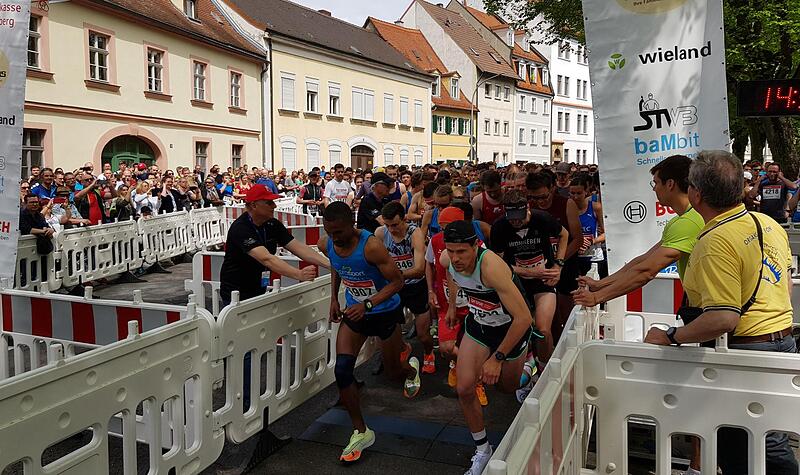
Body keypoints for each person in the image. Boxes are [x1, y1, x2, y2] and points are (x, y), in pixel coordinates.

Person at [644, 150, 798, 475]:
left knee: (746, 448)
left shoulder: (714, 241)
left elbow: (724, 317)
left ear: (697, 194)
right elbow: (785, 287)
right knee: (769, 438)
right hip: (781, 342)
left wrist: (671, 335)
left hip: (745, 350)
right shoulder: (769, 225)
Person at [319, 202, 421, 464]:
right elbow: (336, 265)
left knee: (393, 373)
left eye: (339, 232)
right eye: (330, 232)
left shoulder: (371, 246)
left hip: (384, 312)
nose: (334, 238)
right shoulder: (327, 243)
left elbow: (397, 281)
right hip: (356, 314)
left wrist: (368, 304)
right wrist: (334, 298)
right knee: (342, 370)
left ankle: (411, 369)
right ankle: (361, 432)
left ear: (351, 225)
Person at [439, 221, 534, 475]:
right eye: (451, 251)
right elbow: (451, 273)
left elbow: (524, 318)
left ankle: (528, 369)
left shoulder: (491, 267)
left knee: (506, 387)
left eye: (462, 251)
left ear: (475, 245)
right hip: (479, 326)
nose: (455, 258)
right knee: (464, 388)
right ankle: (483, 449)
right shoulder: (447, 259)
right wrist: (452, 306)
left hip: (511, 328)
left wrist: (497, 358)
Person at [573, 155, 703, 307]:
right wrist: (600, 284)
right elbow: (643, 260)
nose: (654, 188)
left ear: (670, 184)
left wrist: (597, 297)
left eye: (655, 183)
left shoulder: (688, 222)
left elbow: (646, 271)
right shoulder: (682, 220)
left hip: (707, 308)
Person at [491, 189, 567, 376]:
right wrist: (529, 272)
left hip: (543, 280)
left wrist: (558, 265)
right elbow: (499, 265)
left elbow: (564, 234)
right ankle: (528, 362)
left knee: (543, 330)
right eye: (511, 218)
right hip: (517, 283)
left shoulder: (542, 218)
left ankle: (544, 370)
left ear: (527, 208)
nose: (515, 222)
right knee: (522, 328)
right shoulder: (499, 227)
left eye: (519, 217)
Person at [375, 202, 435, 374]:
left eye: (395, 225)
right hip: (395, 287)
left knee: (423, 334)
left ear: (404, 219)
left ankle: (429, 353)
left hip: (416, 287)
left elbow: (419, 269)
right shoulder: (380, 233)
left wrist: (395, 275)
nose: (391, 229)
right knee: (389, 329)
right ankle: (402, 348)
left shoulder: (415, 233)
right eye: (387, 225)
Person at [525, 171, 582, 343]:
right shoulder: (528, 207)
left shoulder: (567, 204)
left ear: (552, 188)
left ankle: (569, 345)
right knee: (547, 318)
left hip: (566, 264)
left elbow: (577, 239)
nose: (540, 201)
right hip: (541, 268)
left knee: (567, 311)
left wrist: (559, 263)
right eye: (534, 198)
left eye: (544, 196)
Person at [569, 174, 606, 276]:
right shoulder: (566, 209)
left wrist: (592, 241)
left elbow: (606, 233)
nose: (575, 197)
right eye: (572, 193)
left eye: (579, 193)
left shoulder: (595, 207)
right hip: (574, 257)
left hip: (594, 257)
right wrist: (577, 242)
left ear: (586, 191)